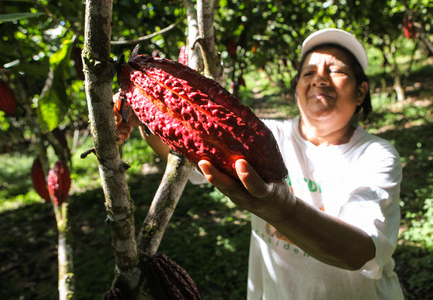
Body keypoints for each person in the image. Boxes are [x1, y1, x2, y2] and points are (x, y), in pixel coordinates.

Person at [114, 28, 404, 300]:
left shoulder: (376, 154)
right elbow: (189, 151)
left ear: (361, 91)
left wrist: (278, 208)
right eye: (309, 71)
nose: (319, 78)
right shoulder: (269, 135)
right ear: (297, 87)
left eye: (336, 70)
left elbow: (359, 252)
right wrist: (141, 112)